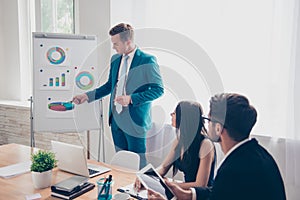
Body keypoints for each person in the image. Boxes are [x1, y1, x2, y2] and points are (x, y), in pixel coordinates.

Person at [147, 93, 286, 200]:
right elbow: (215, 192)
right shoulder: (259, 154)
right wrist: (188, 195)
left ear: (219, 128)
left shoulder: (232, 170)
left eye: (209, 120)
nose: (206, 124)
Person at [72, 23, 164, 168]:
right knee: (122, 165)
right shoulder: (115, 59)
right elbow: (110, 85)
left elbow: (158, 89)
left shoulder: (147, 60)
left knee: (138, 165)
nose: (113, 47)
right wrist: (87, 96)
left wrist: (131, 98)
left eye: (116, 44)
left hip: (135, 123)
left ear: (127, 42)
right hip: (116, 121)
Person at [135, 101, 215, 190]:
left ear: (184, 118)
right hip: (185, 192)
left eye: (174, 113)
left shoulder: (206, 144)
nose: (171, 114)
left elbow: (200, 185)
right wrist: (146, 177)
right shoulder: (179, 140)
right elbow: (163, 167)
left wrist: (168, 184)